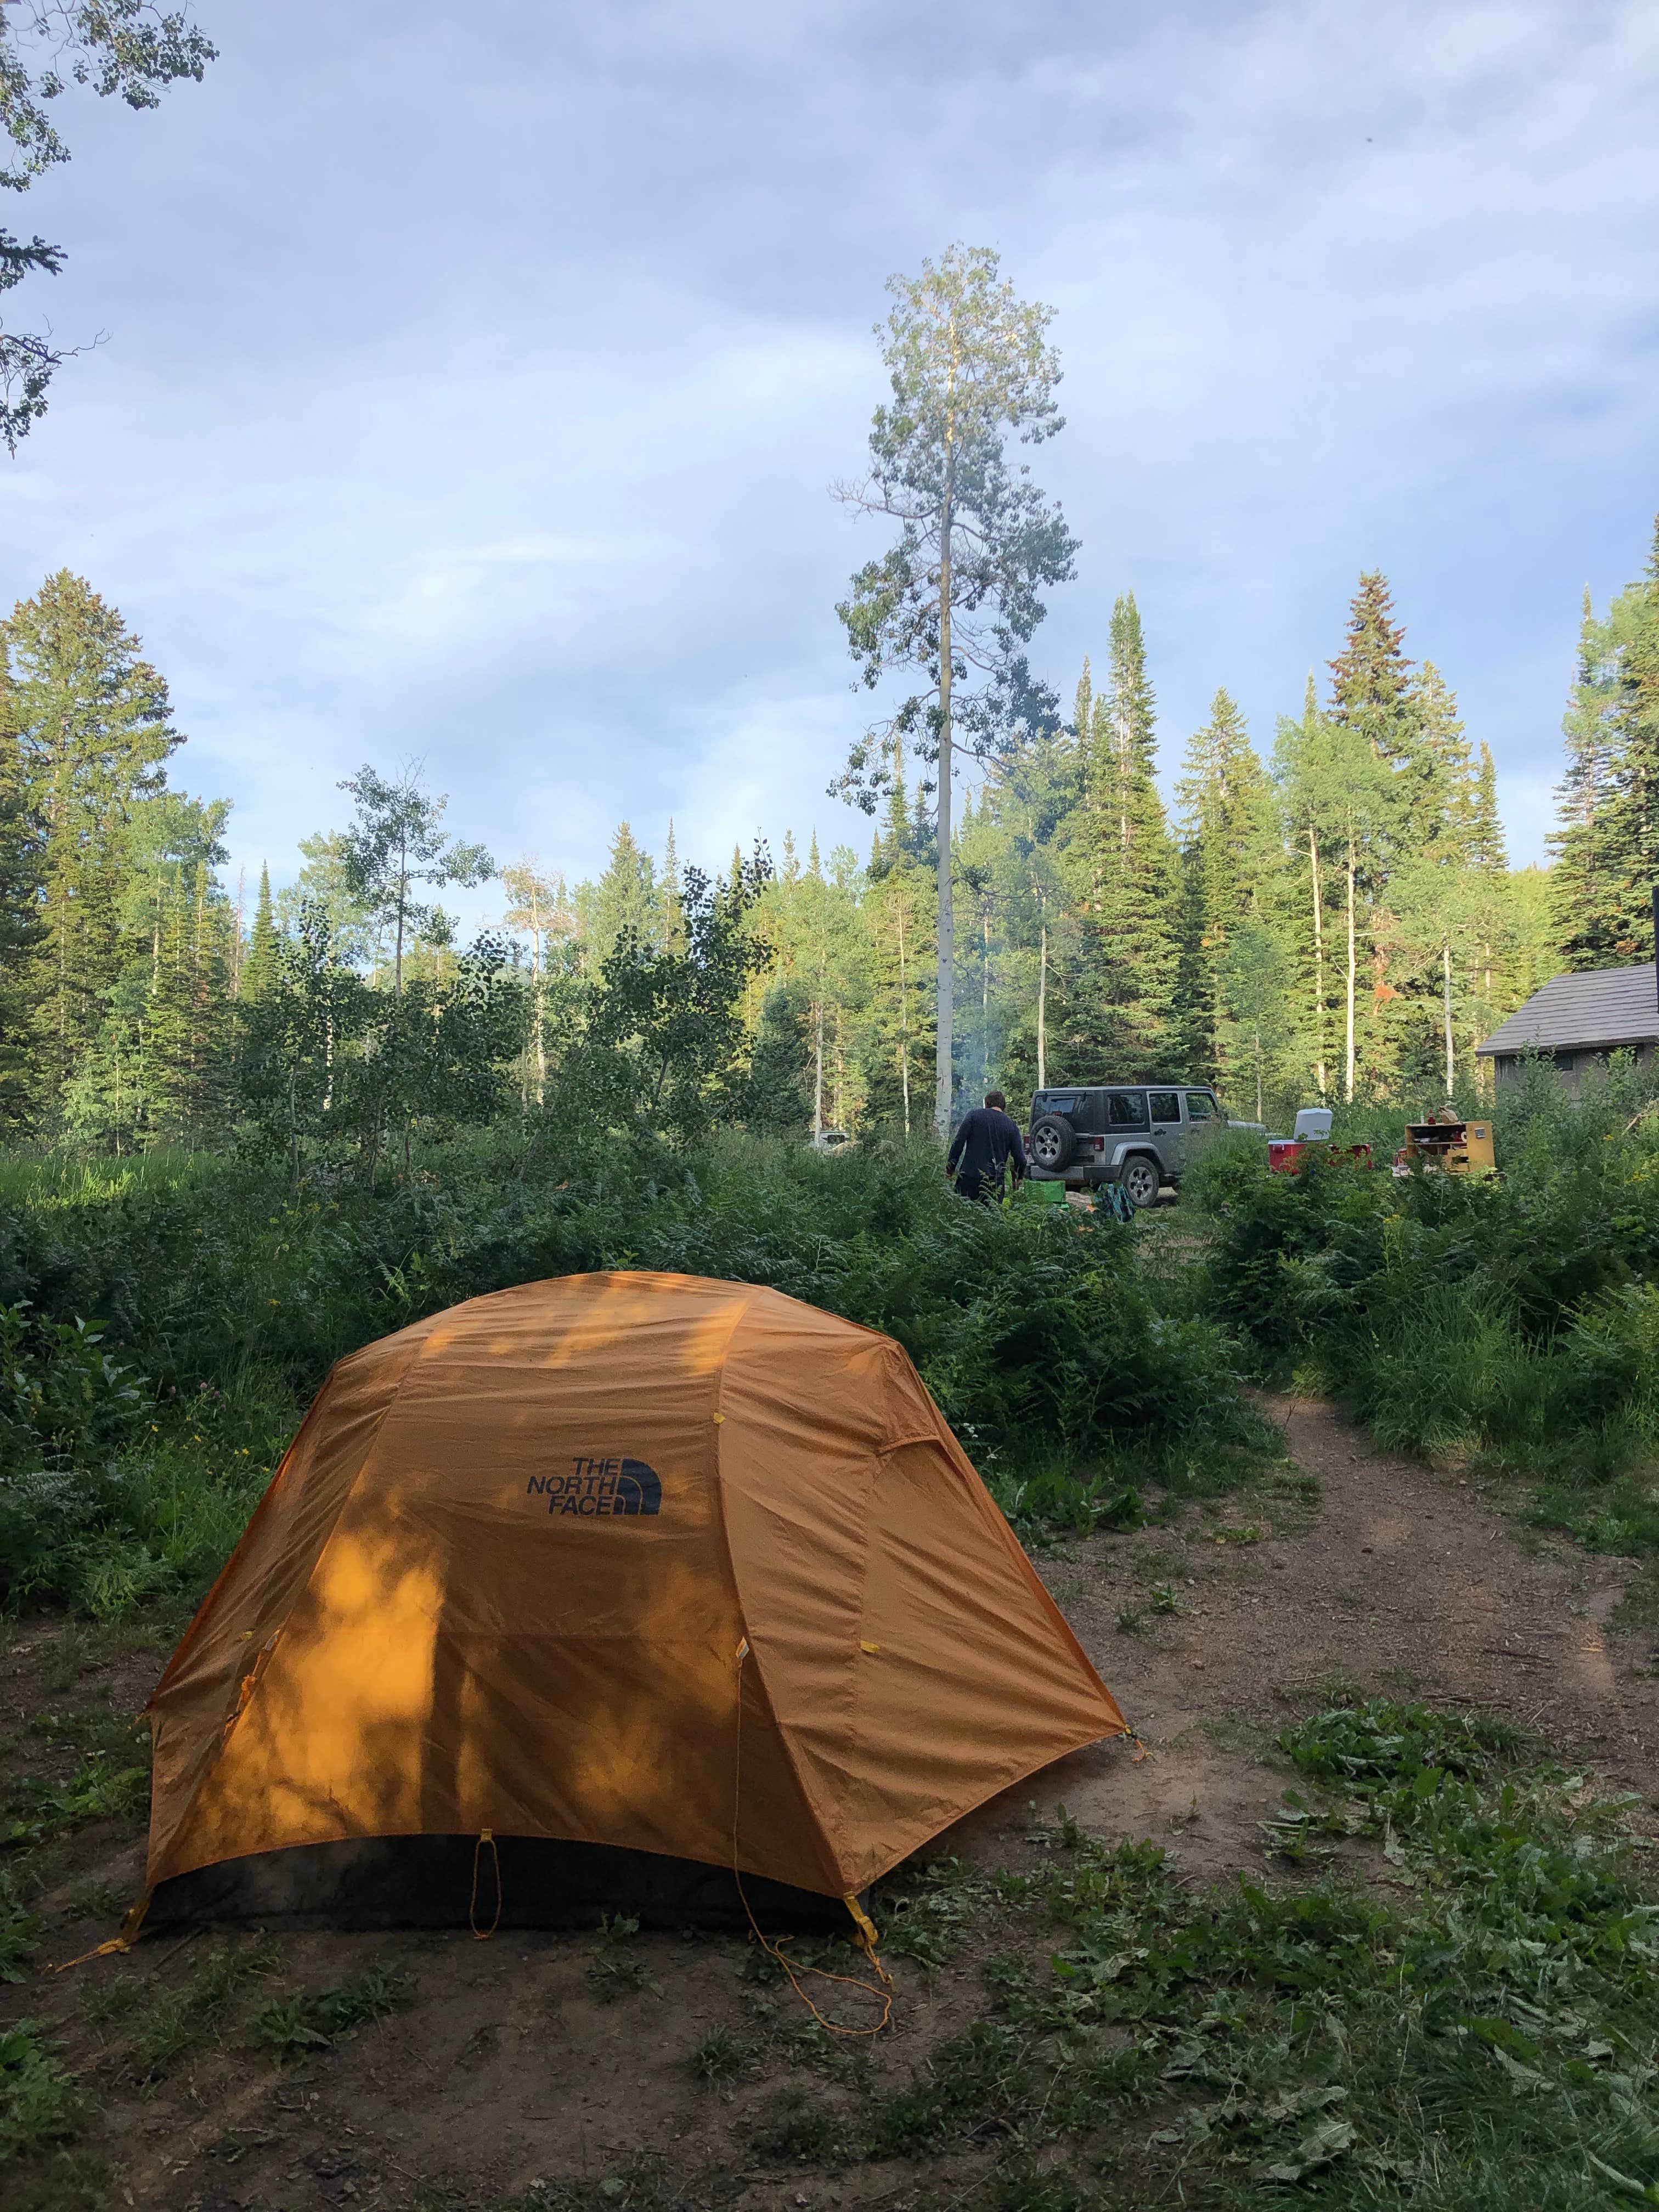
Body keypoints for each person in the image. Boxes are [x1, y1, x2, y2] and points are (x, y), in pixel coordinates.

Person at [946, 1090, 1029, 1204]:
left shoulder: (973, 1116)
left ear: (987, 1104)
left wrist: (950, 1168)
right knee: (991, 1218)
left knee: (964, 1217)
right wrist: (1019, 1178)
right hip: (995, 1182)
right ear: (1003, 1107)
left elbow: (958, 1143)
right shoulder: (1011, 1126)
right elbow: (1019, 1158)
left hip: (969, 1178)